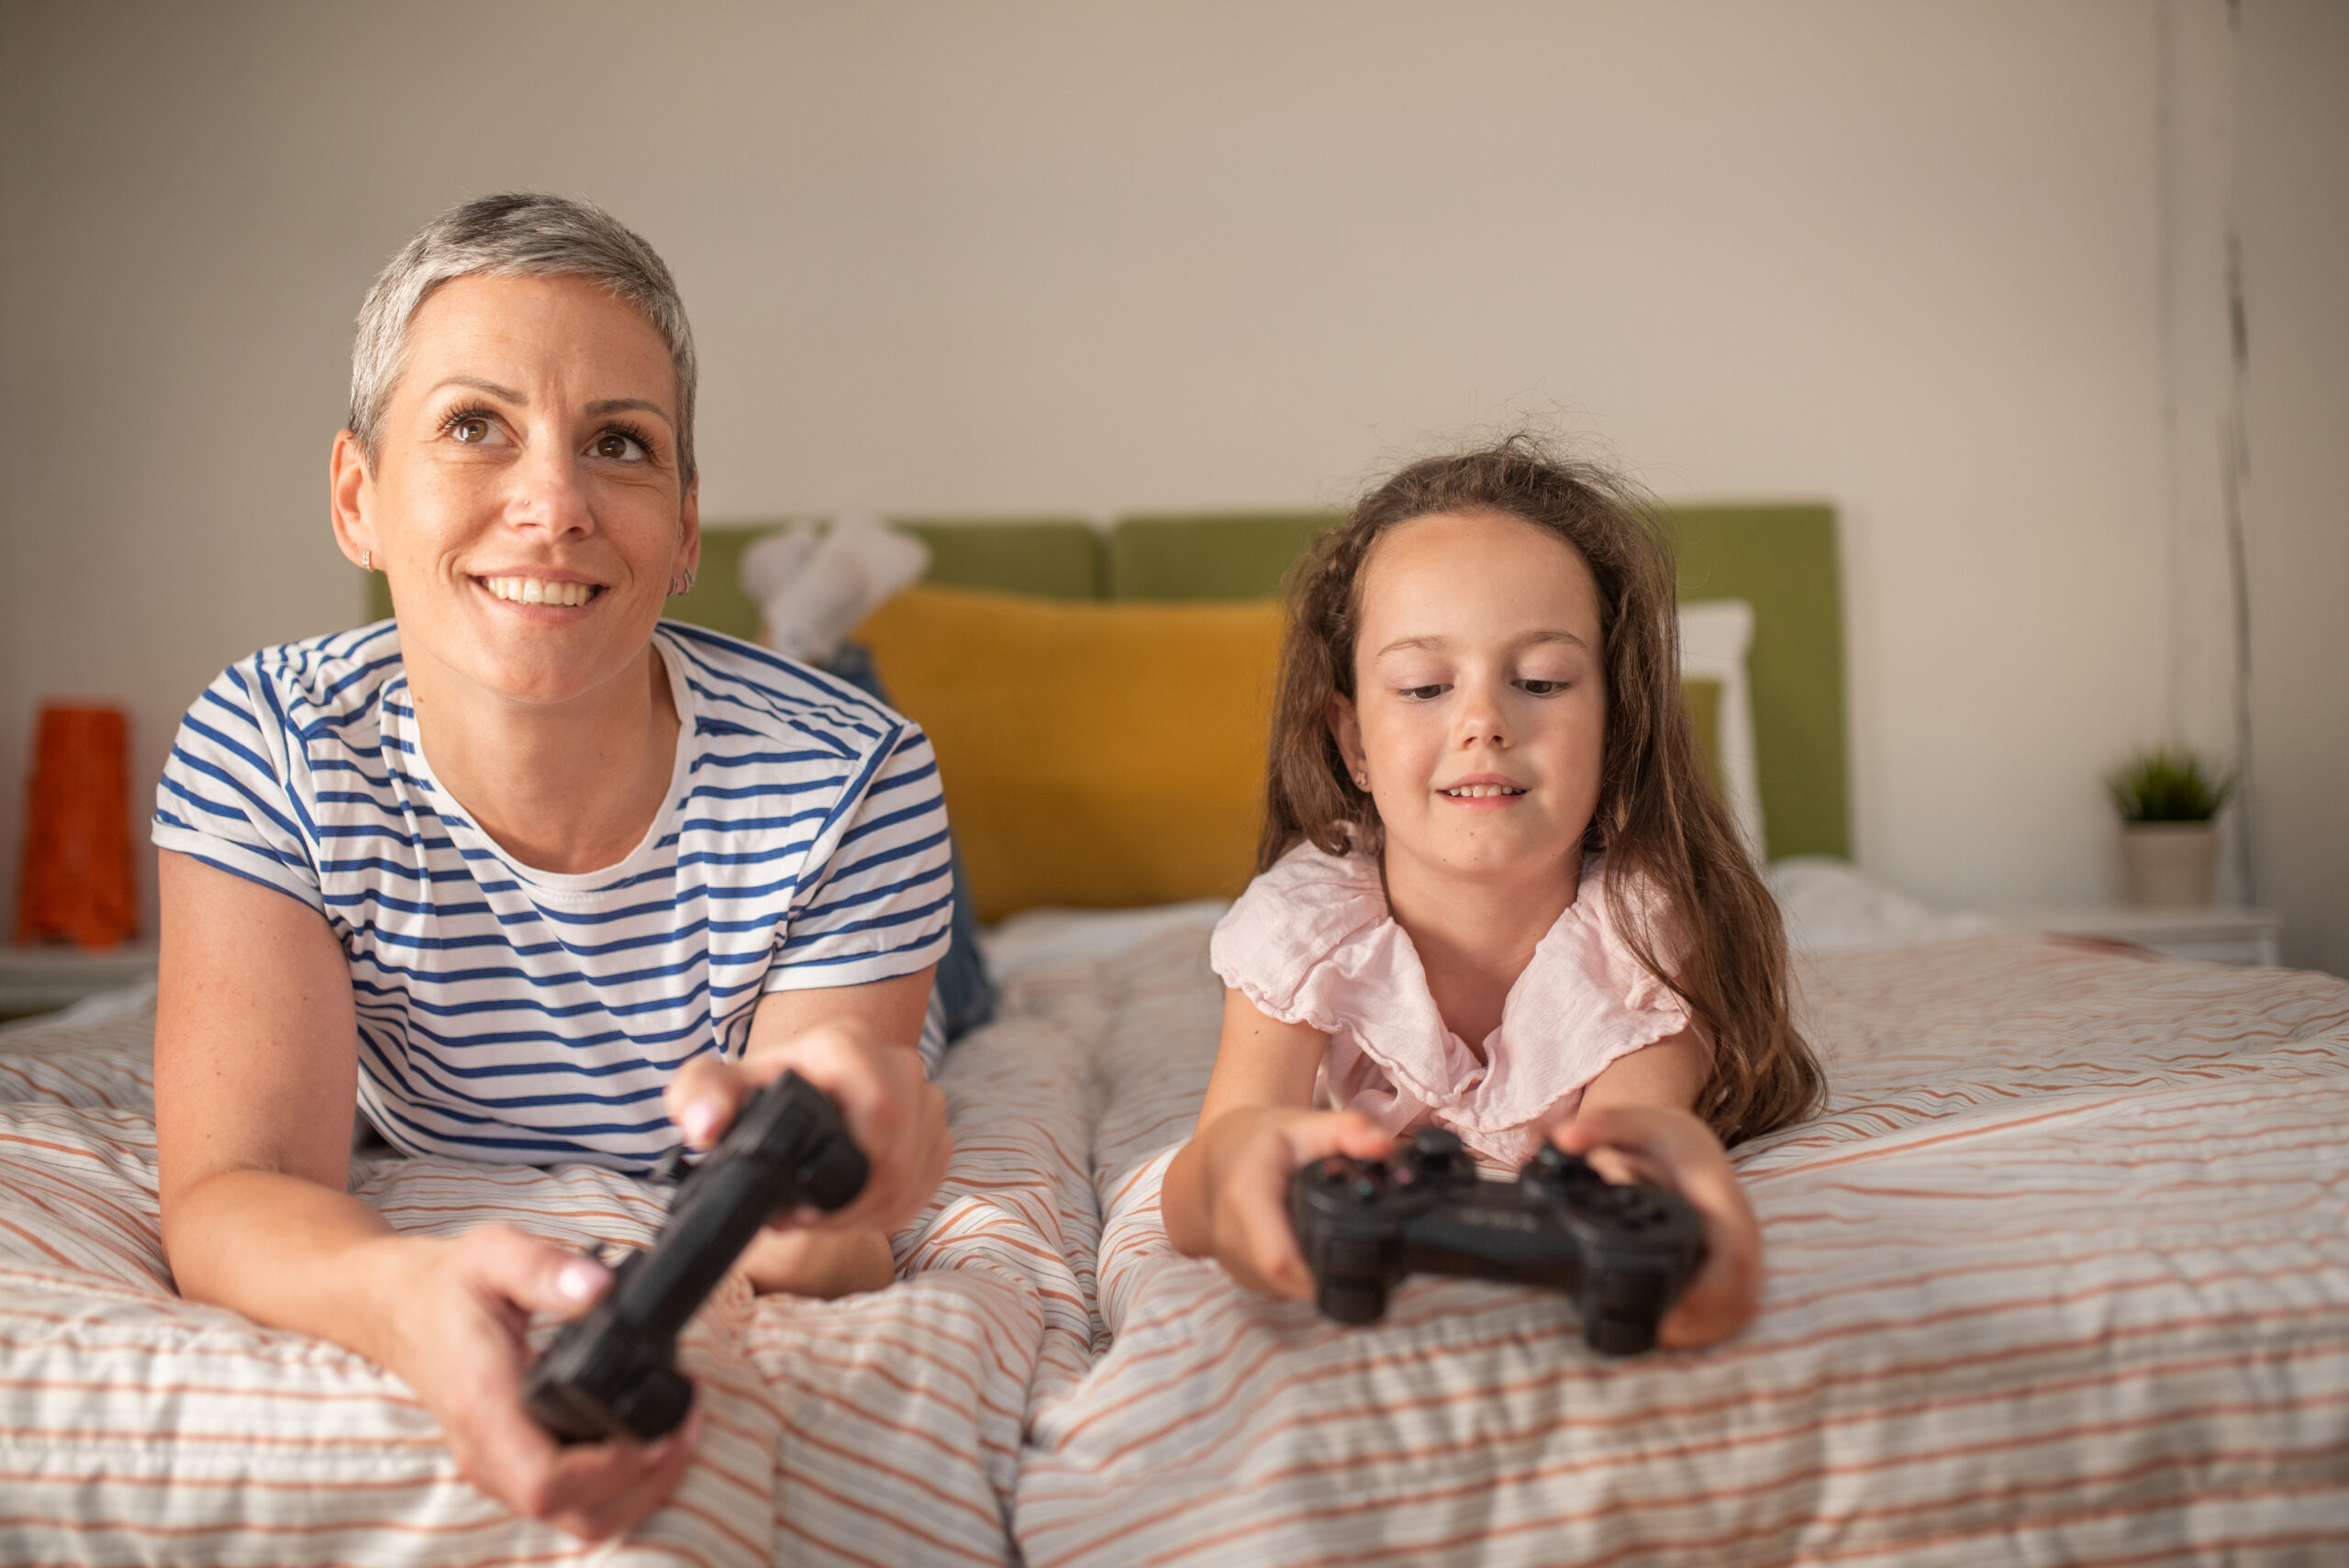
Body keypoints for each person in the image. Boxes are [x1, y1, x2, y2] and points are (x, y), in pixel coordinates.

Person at [150, 194, 956, 1541]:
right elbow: (235, 1188)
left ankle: (822, 648)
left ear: (684, 530)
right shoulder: (269, 744)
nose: (556, 504)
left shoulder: (856, 781)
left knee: (959, 989)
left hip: (831, 833)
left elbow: (829, 1232)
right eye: (476, 426)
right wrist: (406, 1300)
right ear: (358, 497)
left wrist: (836, 1182)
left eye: (619, 445)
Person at [1161, 438, 1823, 1348]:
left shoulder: (1644, 932)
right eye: (1425, 685)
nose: (1483, 722)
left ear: (1613, 727)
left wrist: (1672, 1185)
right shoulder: (1305, 930)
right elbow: (1202, 1176)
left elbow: (1637, 1129)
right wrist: (1230, 1170)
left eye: (1541, 681)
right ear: (1353, 742)